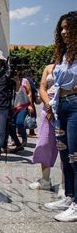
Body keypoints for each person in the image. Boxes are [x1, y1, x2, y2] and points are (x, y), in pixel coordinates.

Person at [44, 11, 77, 222]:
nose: (64, 32)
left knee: (75, 155)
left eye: (68, 28)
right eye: (62, 28)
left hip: (75, 105)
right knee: (64, 155)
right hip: (61, 106)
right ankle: (69, 196)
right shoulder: (65, 55)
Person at [29, 63, 58, 190]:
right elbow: (42, 88)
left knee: (67, 147)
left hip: (66, 105)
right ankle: (45, 179)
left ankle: (65, 184)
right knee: (44, 143)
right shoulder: (48, 67)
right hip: (48, 108)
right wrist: (48, 105)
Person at [8, 73, 33, 152]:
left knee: (19, 122)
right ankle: (15, 142)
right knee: (11, 126)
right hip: (12, 107)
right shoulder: (8, 81)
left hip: (23, 105)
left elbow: (29, 93)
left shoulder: (25, 81)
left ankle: (24, 138)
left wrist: (30, 105)